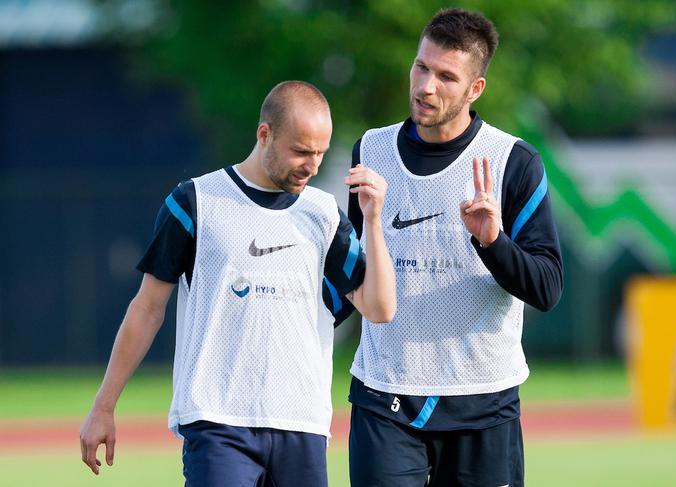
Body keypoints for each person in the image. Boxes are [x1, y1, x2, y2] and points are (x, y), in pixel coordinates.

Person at [79, 80, 396, 487]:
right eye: (301, 151)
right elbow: (147, 307)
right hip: (217, 422)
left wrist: (372, 220)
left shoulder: (324, 215)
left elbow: (381, 308)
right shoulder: (194, 201)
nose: (312, 166)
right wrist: (104, 406)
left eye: (319, 153)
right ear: (264, 134)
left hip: (302, 423)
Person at [346, 8, 563, 487]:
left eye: (447, 76)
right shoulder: (371, 151)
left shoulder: (515, 161)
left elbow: (547, 288)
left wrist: (492, 241)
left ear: (474, 89)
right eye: (422, 67)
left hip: (483, 403)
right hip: (384, 397)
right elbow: (351, 272)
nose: (426, 87)